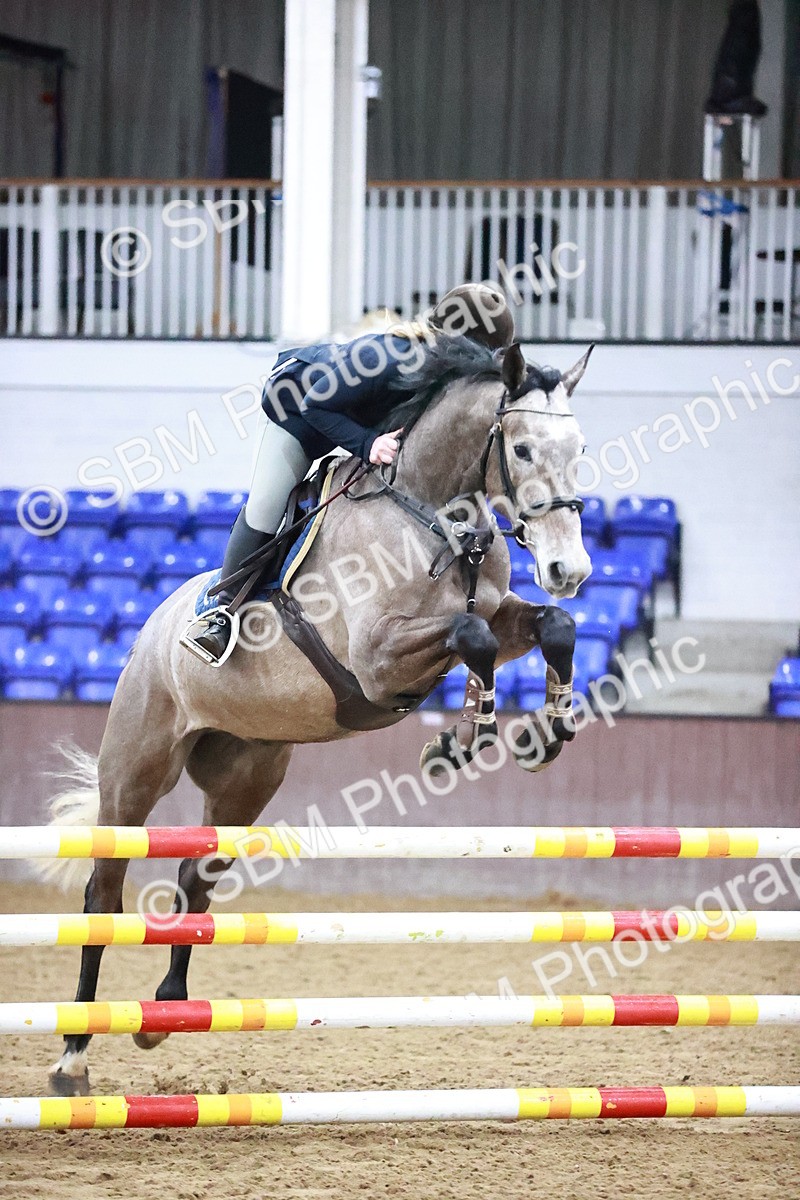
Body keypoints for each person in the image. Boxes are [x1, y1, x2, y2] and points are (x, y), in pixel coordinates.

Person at [181, 283, 514, 665]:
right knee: (268, 505)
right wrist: (368, 444)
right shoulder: (391, 356)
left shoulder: (447, 376)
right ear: (461, 347)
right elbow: (315, 405)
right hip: (299, 413)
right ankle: (220, 612)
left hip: (350, 417)